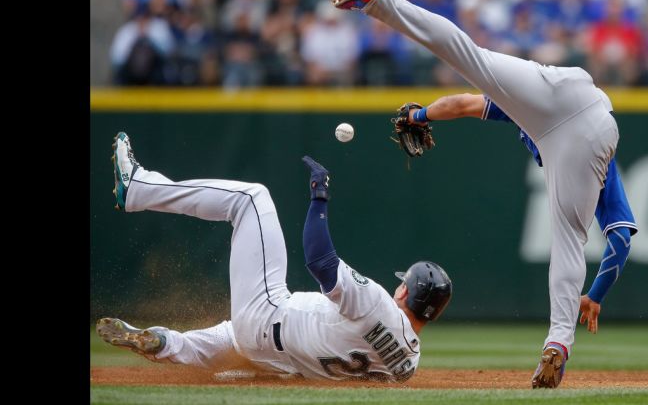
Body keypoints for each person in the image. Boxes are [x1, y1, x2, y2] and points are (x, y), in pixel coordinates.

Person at [332, 0, 637, 388]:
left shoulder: (526, 110)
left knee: (468, 57)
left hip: (562, 94)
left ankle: (377, 0)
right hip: (589, 119)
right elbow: (619, 240)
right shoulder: (596, 160)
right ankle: (558, 345)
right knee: (569, 239)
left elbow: (460, 103)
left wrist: (420, 117)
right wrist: (595, 294)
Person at [97, 132, 452, 382]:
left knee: (252, 199)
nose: (397, 287)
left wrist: (319, 200)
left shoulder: (377, 304)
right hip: (277, 360)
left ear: (406, 292)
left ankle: (139, 189)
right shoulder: (407, 364)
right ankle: (161, 343)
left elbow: (321, 262)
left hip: (269, 318)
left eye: (402, 283)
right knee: (218, 342)